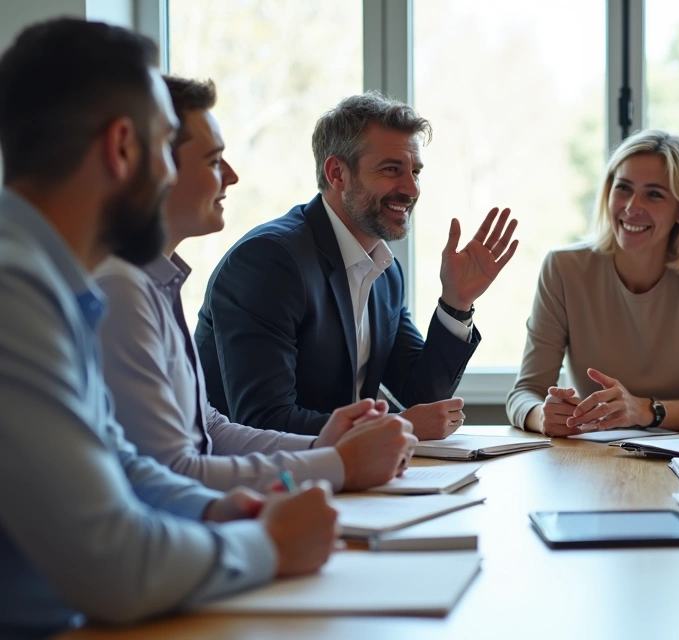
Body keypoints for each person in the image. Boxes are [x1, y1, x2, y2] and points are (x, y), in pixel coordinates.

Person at [0, 19, 344, 637]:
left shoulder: (52, 282)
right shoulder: (13, 292)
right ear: (122, 148)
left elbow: (123, 463)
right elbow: (114, 562)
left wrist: (221, 509)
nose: (166, 175)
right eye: (166, 147)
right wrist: (268, 546)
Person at [95, 76, 417, 493]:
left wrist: (323, 444)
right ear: (147, 163)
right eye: (213, 160)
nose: (231, 176)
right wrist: (338, 465)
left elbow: (210, 429)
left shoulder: (158, 282)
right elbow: (175, 469)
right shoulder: (120, 289)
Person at [195, 92, 519, 437]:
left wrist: (456, 303)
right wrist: (396, 425)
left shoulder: (386, 273)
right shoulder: (269, 261)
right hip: (264, 482)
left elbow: (421, 397)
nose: (411, 188)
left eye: (415, 171)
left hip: (348, 476)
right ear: (337, 173)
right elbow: (263, 421)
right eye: (392, 170)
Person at [506, 130, 679, 436]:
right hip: (593, 455)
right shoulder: (563, 268)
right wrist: (541, 416)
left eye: (654, 194)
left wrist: (646, 411)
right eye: (623, 188)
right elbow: (524, 392)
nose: (631, 206)